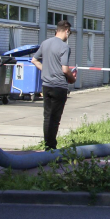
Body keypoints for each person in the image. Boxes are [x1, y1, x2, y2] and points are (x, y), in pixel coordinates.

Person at [31, 19, 77, 150]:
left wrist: (46, 69)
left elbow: (34, 60)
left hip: (46, 86)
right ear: (67, 31)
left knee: (47, 117)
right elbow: (65, 69)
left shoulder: (45, 43)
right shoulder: (64, 47)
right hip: (59, 87)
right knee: (55, 118)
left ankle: (47, 146)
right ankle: (51, 148)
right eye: (70, 33)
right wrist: (72, 79)